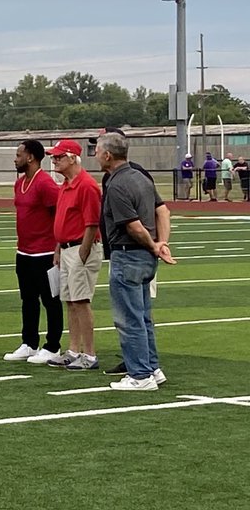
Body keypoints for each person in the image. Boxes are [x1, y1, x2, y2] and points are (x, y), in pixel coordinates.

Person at [97, 132, 176, 391]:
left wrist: (154, 244)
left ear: (107, 155)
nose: (95, 155)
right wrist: (161, 242)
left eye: (97, 151)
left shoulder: (117, 184)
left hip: (128, 254)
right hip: (143, 257)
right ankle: (152, 367)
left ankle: (140, 375)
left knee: (129, 319)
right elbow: (162, 210)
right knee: (142, 317)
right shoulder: (141, 177)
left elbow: (132, 225)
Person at [38, 139, 102, 369]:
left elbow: (92, 223)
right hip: (67, 248)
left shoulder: (86, 185)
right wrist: (58, 248)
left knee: (81, 300)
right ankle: (74, 349)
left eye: (58, 157)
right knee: (70, 300)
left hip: (79, 248)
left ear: (72, 158)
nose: (54, 161)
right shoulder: (66, 184)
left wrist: (83, 253)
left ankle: (90, 354)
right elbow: (62, 221)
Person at [2, 140, 63, 364]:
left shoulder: (45, 184)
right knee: (28, 299)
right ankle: (29, 343)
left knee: (50, 300)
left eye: (19, 155)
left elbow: (59, 214)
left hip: (45, 252)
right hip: (24, 252)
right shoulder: (20, 184)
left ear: (30, 157)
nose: (15, 159)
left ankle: (53, 346)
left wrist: (58, 247)